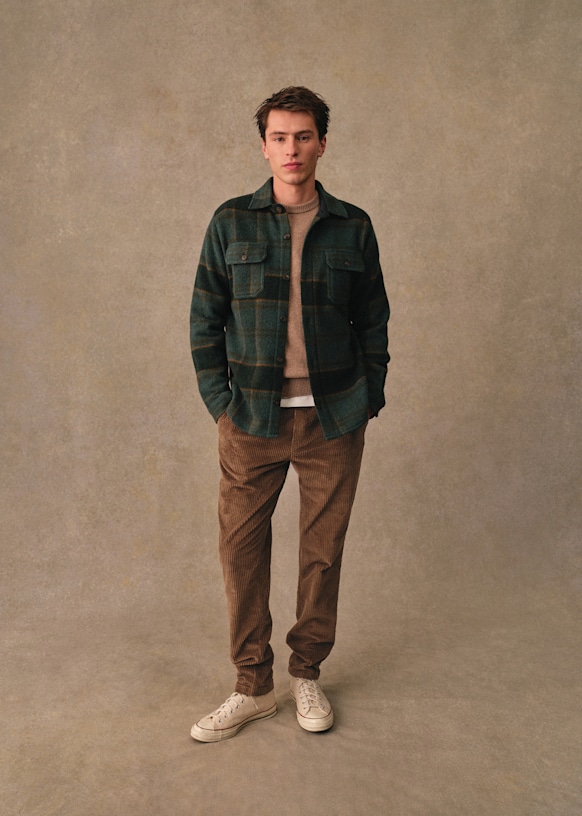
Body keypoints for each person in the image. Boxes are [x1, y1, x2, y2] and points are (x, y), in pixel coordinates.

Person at [189, 86, 389, 742]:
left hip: (334, 417)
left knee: (322, 553)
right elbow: (204, 318)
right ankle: (252, 686)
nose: (291, 149)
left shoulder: (353, 226)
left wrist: (368, 398)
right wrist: (221, 404)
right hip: (251, 418)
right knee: (240, 551)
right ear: (264, 146)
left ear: (321, 144)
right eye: (279, 137)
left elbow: (374, 319)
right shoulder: (231, 222)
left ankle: (307, 674)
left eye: (303, 136)